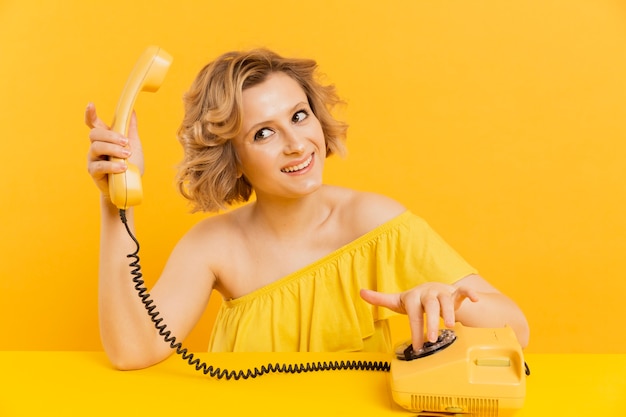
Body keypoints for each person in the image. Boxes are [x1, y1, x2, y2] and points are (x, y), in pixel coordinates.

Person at [85, 48, 529, 370]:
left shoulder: (374, 222)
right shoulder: (214, 245)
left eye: (299, 116)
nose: (297, 144)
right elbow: (133, 350)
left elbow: (516, 329)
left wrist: (447, 302)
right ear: (232, 156)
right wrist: (115, 199)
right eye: (263, 133)